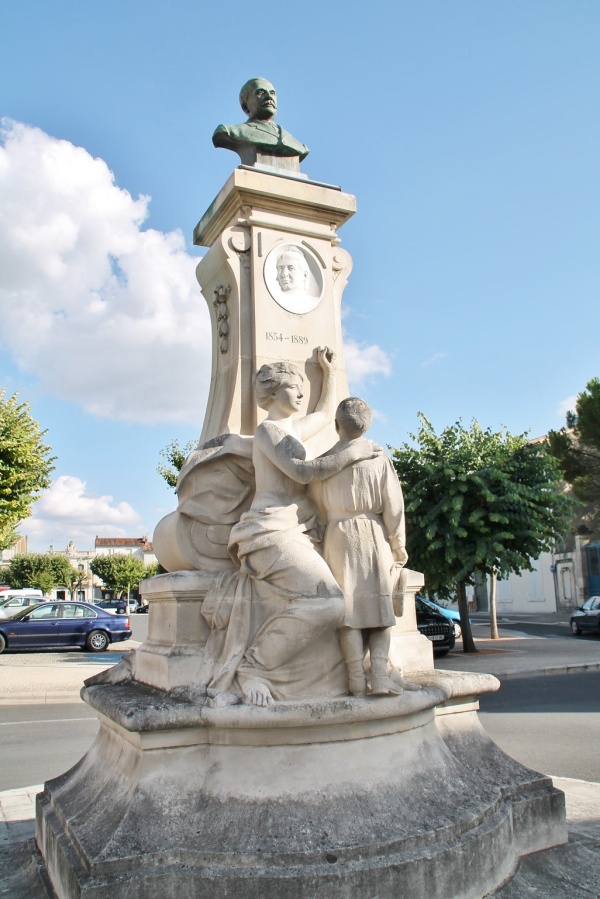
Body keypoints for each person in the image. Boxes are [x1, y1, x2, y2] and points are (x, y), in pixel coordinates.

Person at [200, 350, 382, 707]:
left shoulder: (292, 429)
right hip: (270, 531)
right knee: (329, 603)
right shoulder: (269, 430)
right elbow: (301, 471)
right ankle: (254, 667)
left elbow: (326, 413)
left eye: (302, 387)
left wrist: (328, 375)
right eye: (293, 387)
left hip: (294, 529)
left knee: (331, 602)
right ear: (271, 392)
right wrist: (353, 453)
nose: (301, 393)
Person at [312, 398, 418, 696]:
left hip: (337, 535)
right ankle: (380, 678)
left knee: (349, 614)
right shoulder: (378, 457)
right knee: (381, 612)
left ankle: (356, 680)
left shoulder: (326, 460)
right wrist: (398, 545)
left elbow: (318, 507)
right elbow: (393, 506)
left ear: (336, 425)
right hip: (373, 534)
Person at [212, 77, 309, 168]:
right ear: (245, 107)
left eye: (272, 93)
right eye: (261, 92)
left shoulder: (297, 145)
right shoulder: (231, 131)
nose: (269, 97)